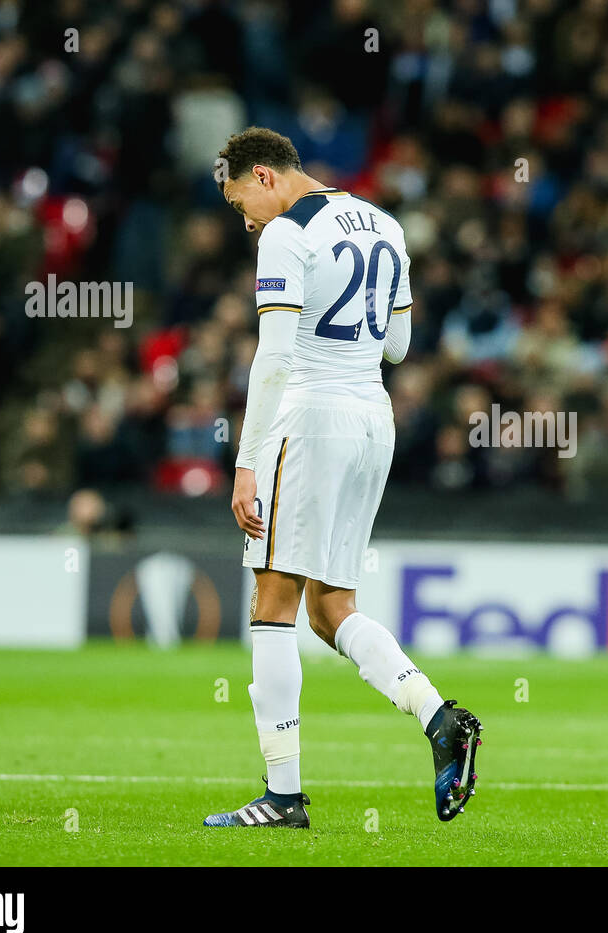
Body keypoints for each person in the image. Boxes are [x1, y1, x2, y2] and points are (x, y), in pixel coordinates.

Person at [203, 128, 481, 828]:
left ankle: (283, 797)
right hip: (371, 420)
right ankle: (439, 717)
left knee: (273, 604)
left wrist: (245, 462)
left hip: (311, 416)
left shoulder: (286, 236)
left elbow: (272, 360)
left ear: (264, 175)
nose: (247, 222)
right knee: (331, 607)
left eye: (242, 203)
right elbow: (400, 344)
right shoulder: (385, 222)